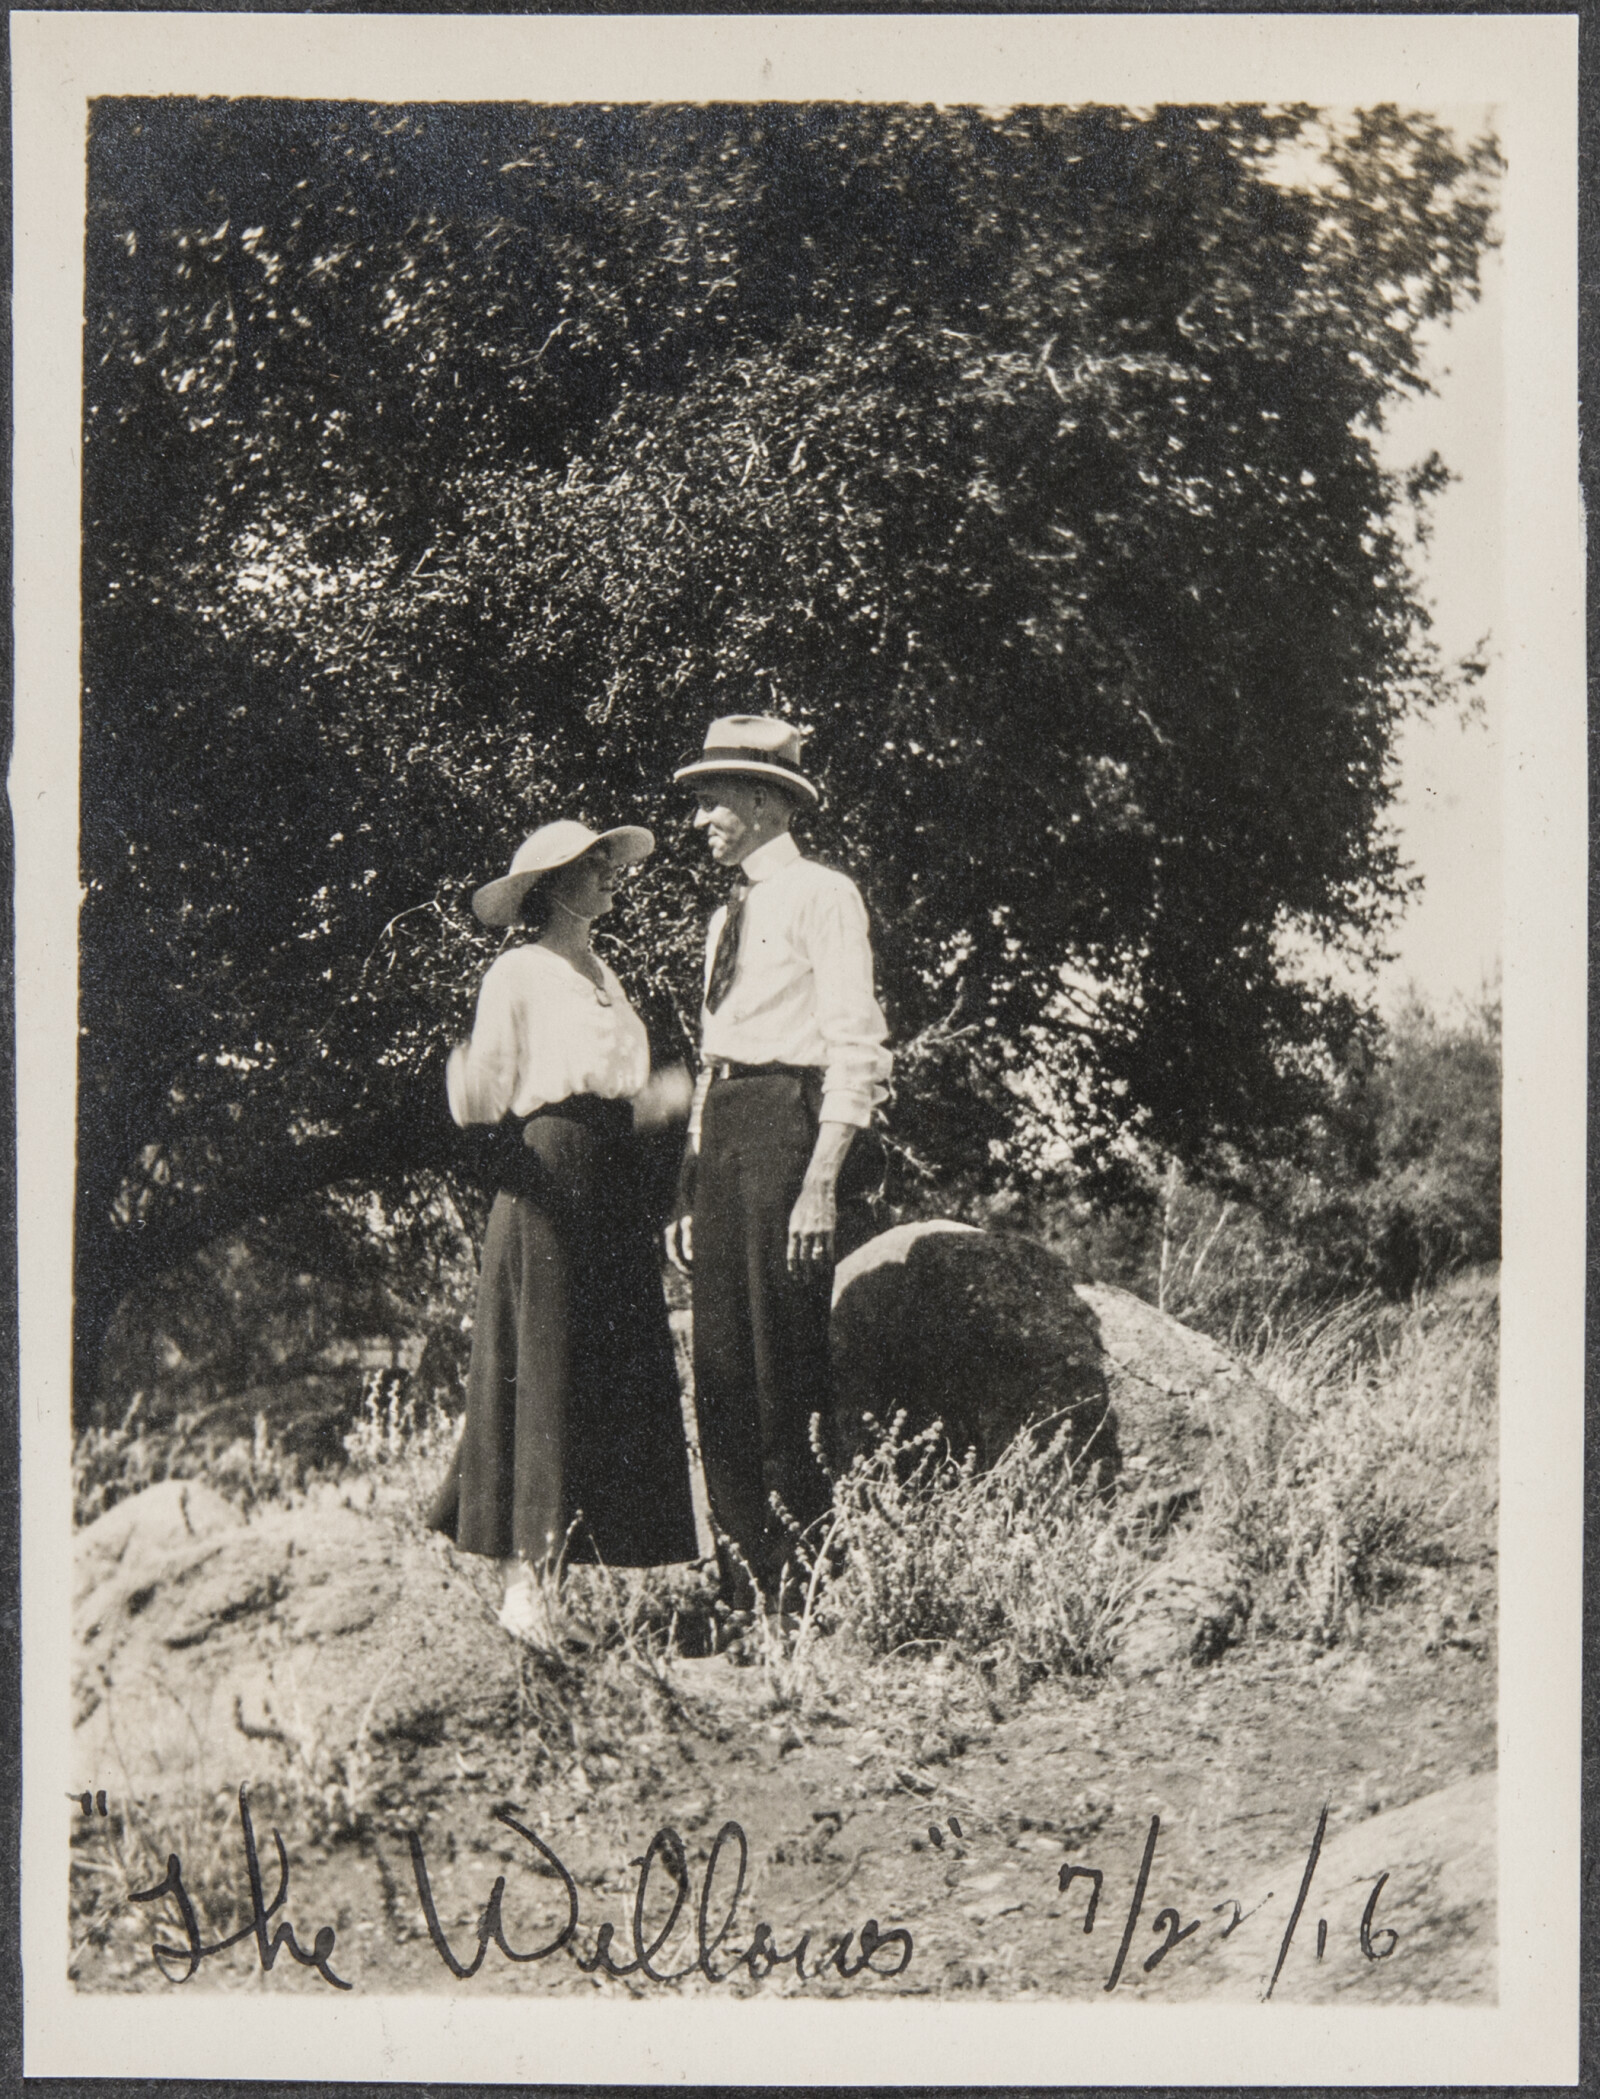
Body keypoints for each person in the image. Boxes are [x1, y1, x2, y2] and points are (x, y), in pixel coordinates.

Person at [428, 819, 699, 1645]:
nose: (612, 874)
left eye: (610, 863)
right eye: (594, 866)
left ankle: (559, 1587)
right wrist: (467, 1076)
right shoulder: (517, 970)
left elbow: (617, 1090)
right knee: (541, 1368)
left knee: (601, 1371)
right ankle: (524, 1591)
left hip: (612, 1182)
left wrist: (663, 1099)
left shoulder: (607, 977)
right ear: (552, 885)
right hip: (548, 1178)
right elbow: (485, 1097)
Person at [666, 716, 891, 1607]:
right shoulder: (726, 915)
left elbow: (855, 1047)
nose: (700, 821)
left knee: (780, 1365)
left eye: (714, 800)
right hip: (723, 1134)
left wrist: (819, 1181)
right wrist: (689, 1184)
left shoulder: (822, 895)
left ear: (763, 800)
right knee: (718, 1370)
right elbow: (714, 1054)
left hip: (784, 1135)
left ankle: (808, 1587)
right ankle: (745, 1588)